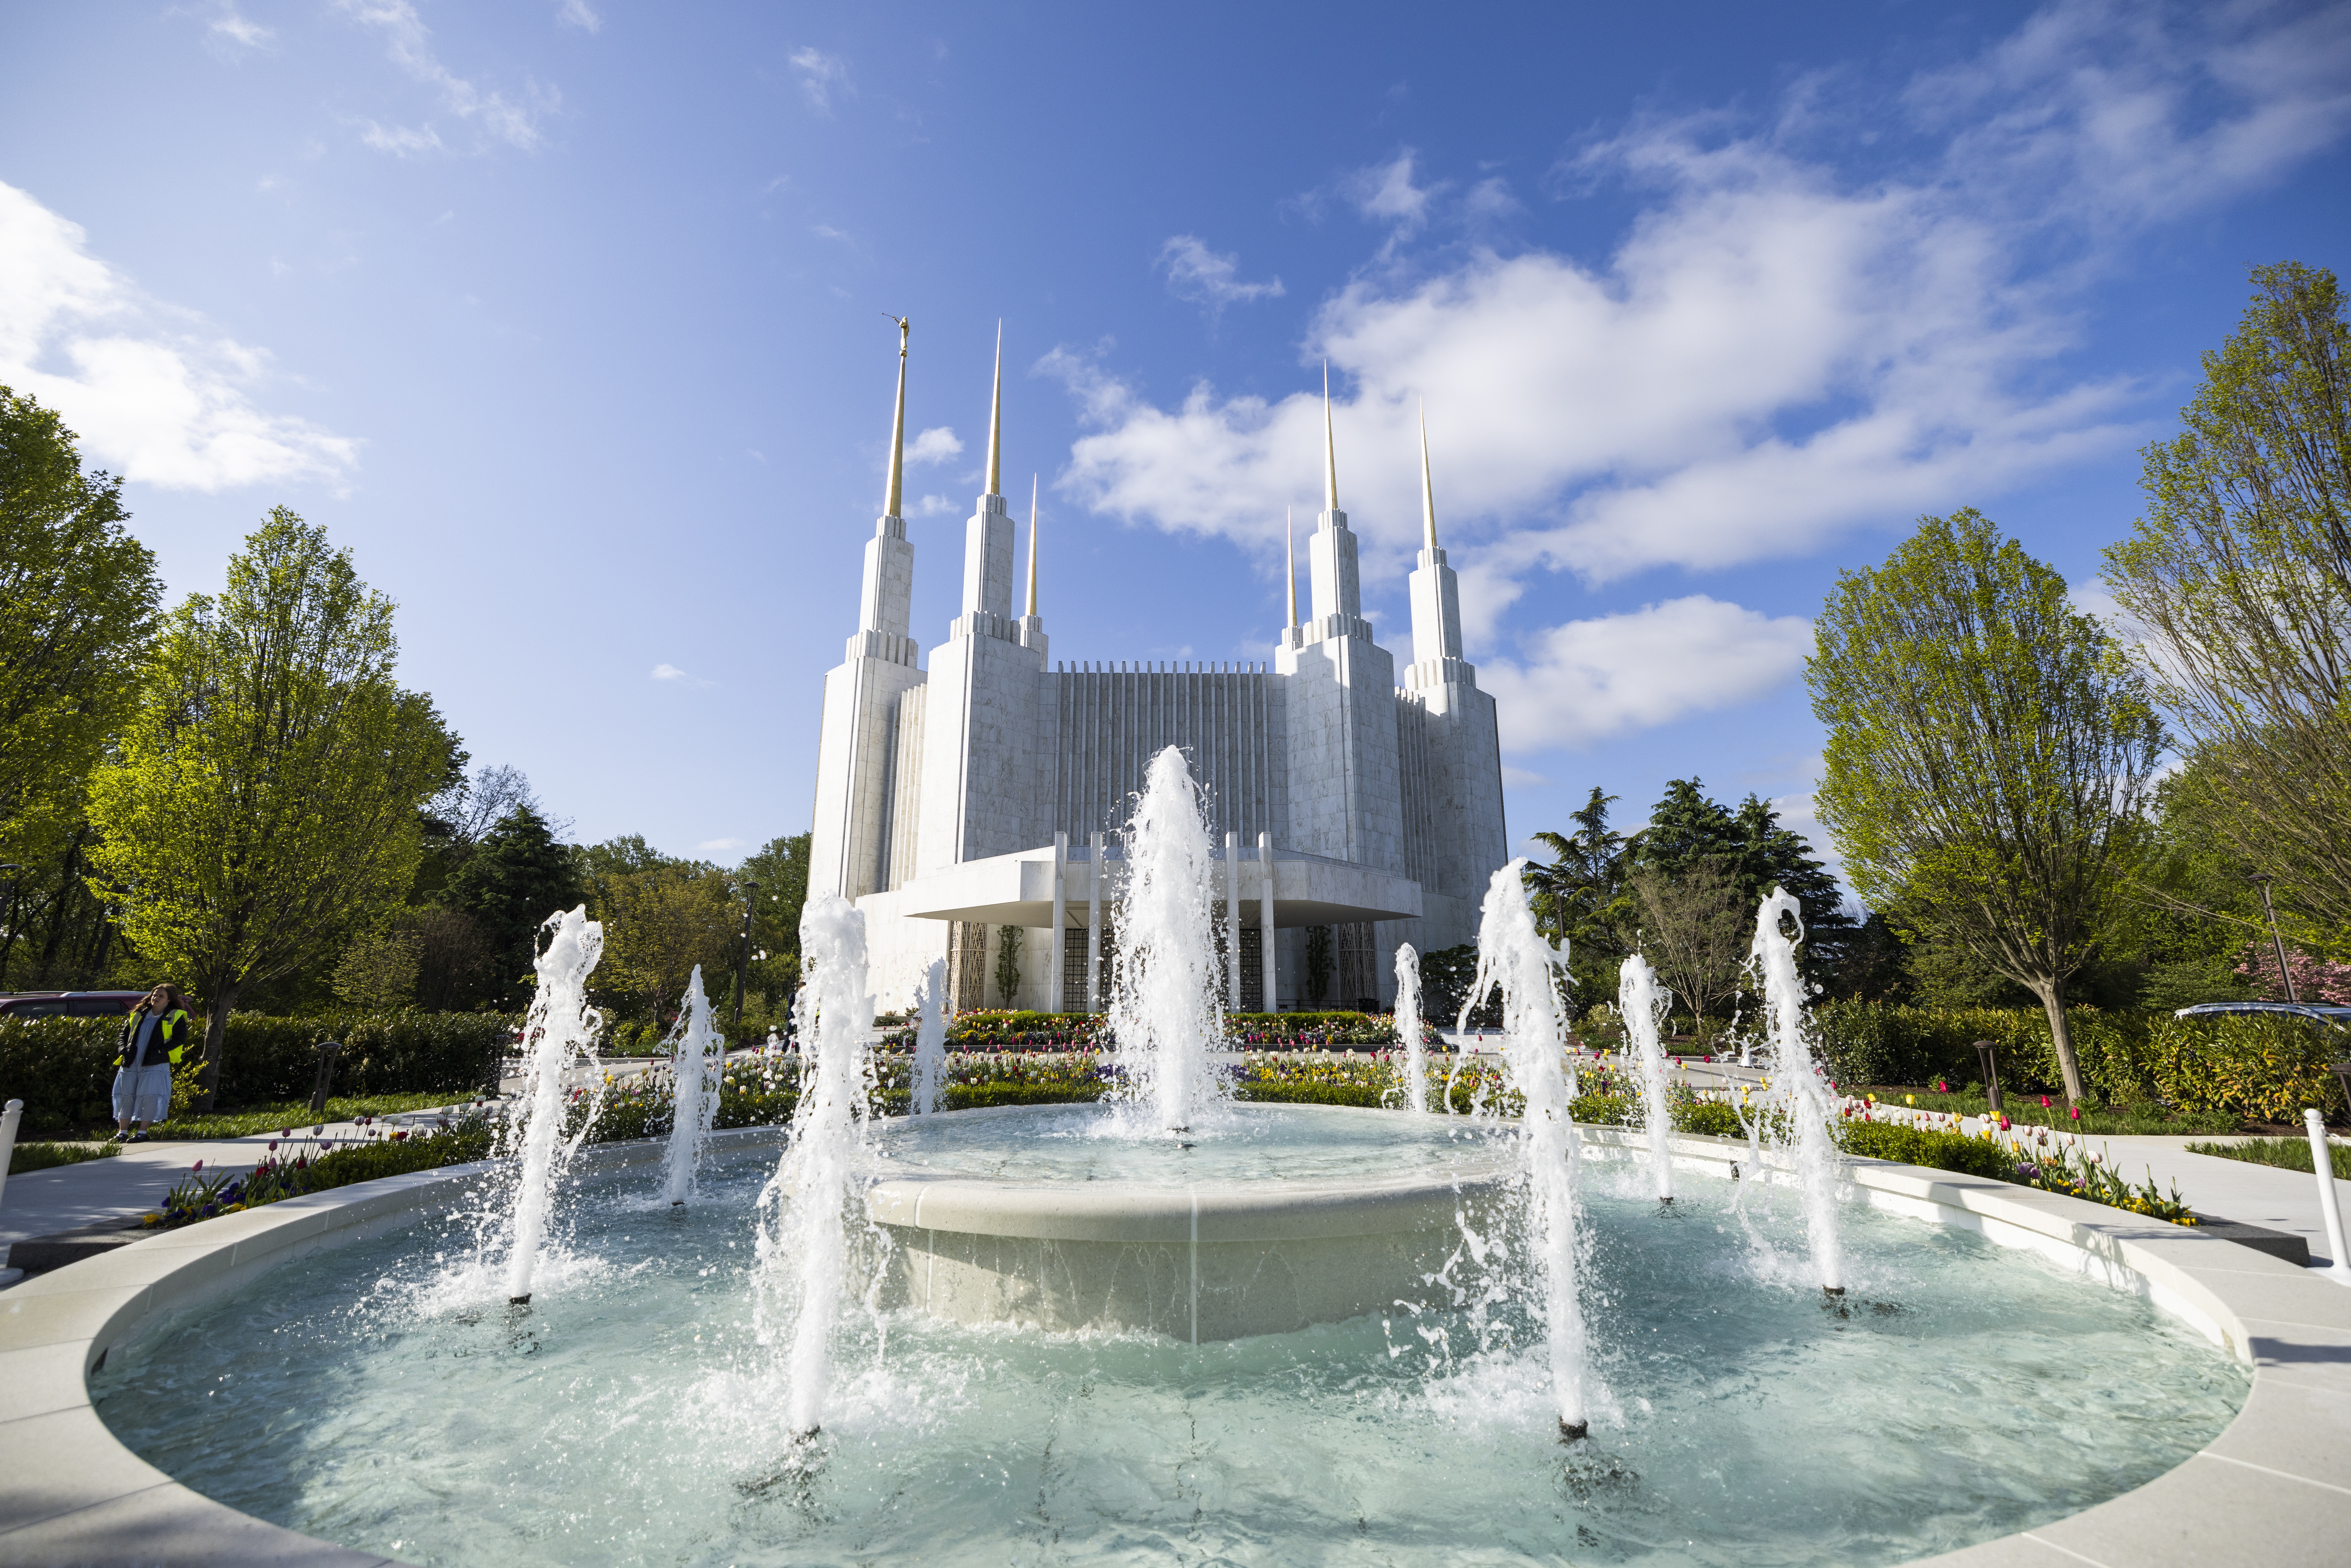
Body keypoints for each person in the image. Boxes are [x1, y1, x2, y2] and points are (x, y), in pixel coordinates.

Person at [113, 984, 193, 1141]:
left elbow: (180, 1039)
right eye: (154, 995)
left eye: (161, 996)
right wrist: (124, 1050)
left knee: (150, 1096)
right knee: (126, 1095)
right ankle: (122, 1133)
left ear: (170, 999)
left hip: (155, 1063)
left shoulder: (176, 1015)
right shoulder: (138, 1014)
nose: (156, 998)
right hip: (132, 1062)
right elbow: (123, 1036)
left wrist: (160, 1052)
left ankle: (143, 1133)